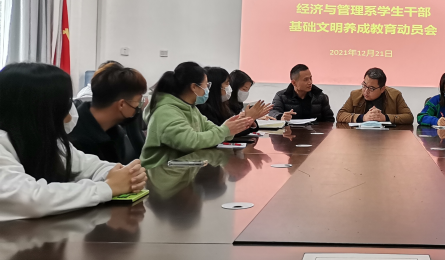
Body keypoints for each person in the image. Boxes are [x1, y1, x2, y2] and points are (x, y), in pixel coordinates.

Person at [0, 63, 147, 222]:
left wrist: (124, 174)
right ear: (40, 109)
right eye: (64, 104)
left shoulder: (49, 141)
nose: (70, 113)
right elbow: (29, 200)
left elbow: (88, 165)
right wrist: (107, 188)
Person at [140, 62, 254, 169]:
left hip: (181, 169)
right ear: (194, 87)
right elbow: (190, 142)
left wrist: (230, 129)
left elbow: (210, 128)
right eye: (206, 85)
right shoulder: (166, 111)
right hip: (160, 172)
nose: (207, 89)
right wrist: (225, 130)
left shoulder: (190, 108)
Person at [69, 64, 148, 164]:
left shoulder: (114, 132)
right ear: (122, 104)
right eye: (138, 102)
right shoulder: (76, 141)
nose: (139, 107)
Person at [198, 67, 272, 136]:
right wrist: (248, 119)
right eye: (227, 83)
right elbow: (224, 133)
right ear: (216, 86)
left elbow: (231, 130)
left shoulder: (223, 106)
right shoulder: (204, 109)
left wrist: (249, 119)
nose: (229, 87)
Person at [337, 68, 413, 124]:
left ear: (382, 89)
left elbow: (409, 117)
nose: (366, 91)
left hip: (387, 136)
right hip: (359, 136)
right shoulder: (355, 95)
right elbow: (340, 115)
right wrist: (362, 117)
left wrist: (385, 118)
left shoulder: (395, 95)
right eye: (364, 85)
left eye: (371, 88)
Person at [270, 64, 335, 122]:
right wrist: (281, 117)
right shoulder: (281, 96)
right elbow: (273, 112)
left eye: (310, 78)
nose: (310, 82)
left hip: (314, 131)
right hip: (289, 131)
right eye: (305, 79)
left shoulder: (320, 96)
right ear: (294, 83)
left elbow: (329, 120)